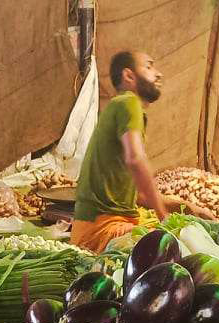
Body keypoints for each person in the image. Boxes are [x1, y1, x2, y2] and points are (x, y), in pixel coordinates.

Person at [70, 51, 170, 253]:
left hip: (97, 227)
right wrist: (163, 216)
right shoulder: (128, 102)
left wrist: (187, 206)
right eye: (149, 67)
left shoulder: (122, 107)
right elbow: (135, 159)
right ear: (129, 76)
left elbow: (139, 195)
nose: (158, 73)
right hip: (102, 230)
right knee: (175, 247)